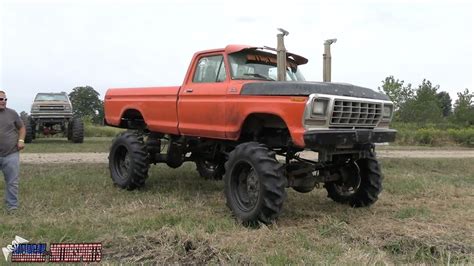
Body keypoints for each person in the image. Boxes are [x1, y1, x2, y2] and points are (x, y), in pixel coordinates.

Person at [0, 90, 25, 213]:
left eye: (5, 99)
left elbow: (22, 127)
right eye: (1, 99)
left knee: (12, 182)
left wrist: (21, 140)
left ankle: (12, 207)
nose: (3, 101)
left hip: (11, 153)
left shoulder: (12, 113)